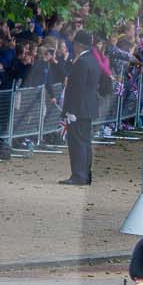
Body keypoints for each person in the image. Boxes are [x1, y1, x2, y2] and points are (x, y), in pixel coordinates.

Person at [60, 32, 105, 186]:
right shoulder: (93, 61)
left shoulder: (82, 62)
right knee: (85, 142)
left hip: (79, 108)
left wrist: (70, 110)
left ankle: (79, 175)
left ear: (79, 45)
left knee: (77, 143)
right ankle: (85, 174)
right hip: (88, 107)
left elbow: (77, 89)